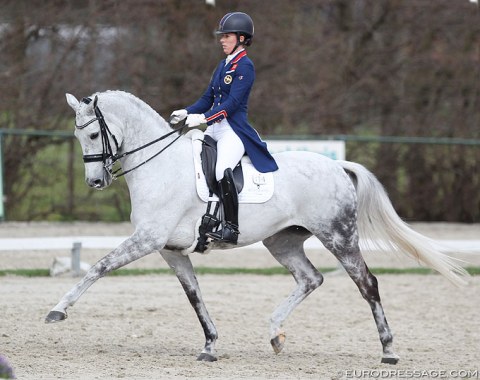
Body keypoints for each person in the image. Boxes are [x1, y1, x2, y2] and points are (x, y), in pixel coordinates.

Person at [170, 12, 278, 245]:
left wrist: (203, 119)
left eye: (227, 36)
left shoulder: (245, 66)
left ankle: (231, 228)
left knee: (221, 171)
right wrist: (187, 111)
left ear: (241, 38)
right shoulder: (223, 65)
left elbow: (231, 105)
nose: (222, 40)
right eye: (222, 36)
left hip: (233, 130)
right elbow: (208, 97)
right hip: (214, 128)